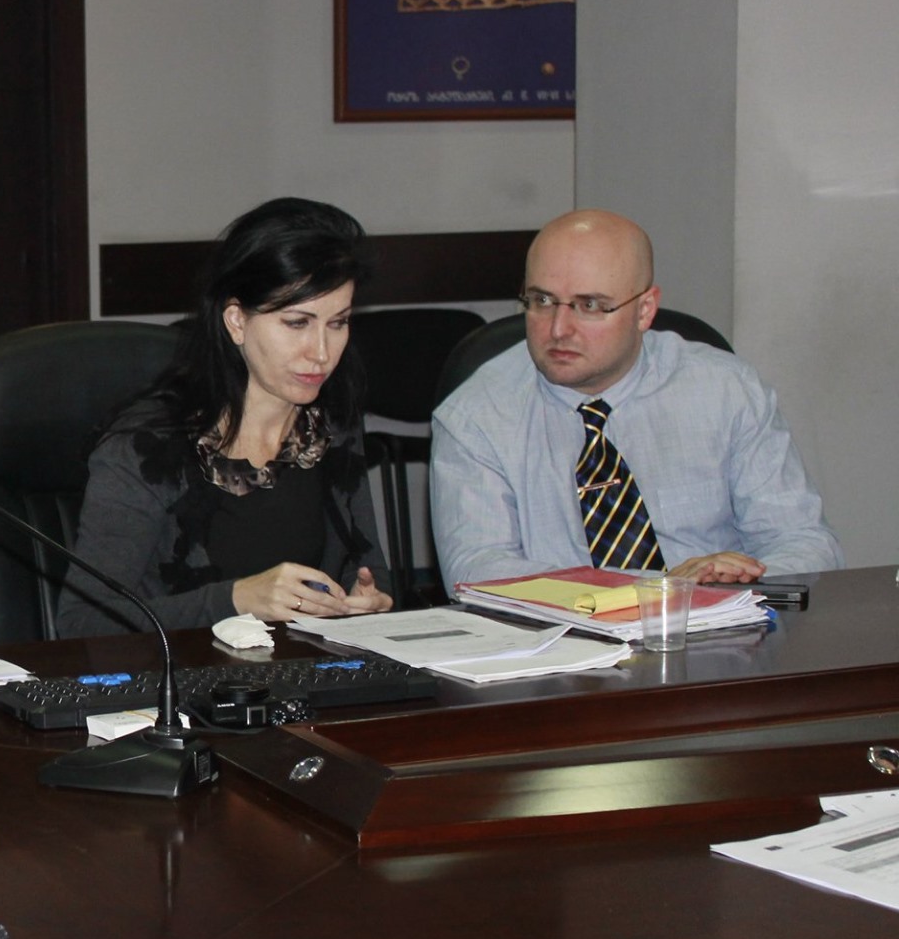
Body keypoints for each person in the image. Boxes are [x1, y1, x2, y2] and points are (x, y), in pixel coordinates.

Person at [430, 209, 843, 589]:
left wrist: (741, 579)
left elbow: (805, 542)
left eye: (590, 305)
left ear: (645, 310)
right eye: (542, 301)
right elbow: (476, 571)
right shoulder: (476, 414)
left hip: (722, 626)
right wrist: (662, 590)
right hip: (560, 636)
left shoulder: (726, 390)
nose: (558, 329)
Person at [57, 197, 394, 636]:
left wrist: (367, 599)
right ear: (236, 321)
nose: (321, 353)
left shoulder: (329, 423)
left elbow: (368, 569)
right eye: (297, 323)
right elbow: (82, 625)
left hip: (305, 670)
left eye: (338, 323)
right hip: (186, 677)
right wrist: (235, 601)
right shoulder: (145, 446)